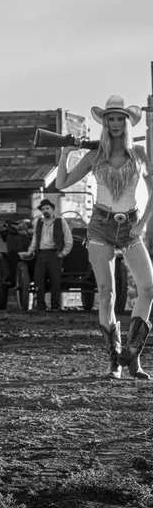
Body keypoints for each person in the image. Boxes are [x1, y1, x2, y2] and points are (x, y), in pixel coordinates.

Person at [57, 95, 153, 379]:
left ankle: (132, 356)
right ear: (104, 122)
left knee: (148, 288)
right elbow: (62, 183)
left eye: (119, 118)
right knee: (106, 295)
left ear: (127, 122)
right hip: (100, 225)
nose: (114, 123)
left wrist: (142, 225)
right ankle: (115, 361)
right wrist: (65, 154)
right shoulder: (94, 155)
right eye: (110, 118)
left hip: (132, 226)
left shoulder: (140, 154)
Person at [20, 198, 73, 313]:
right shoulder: (38, 223)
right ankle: (40, 306)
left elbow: (68, 239)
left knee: (55, 281)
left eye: (47, 208)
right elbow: (35, 240)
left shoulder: (61, 222)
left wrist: (63, 253)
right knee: (38, 280)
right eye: (43, 209)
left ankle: (55, 306)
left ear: (53, 209)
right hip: (41, 254)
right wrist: (30, 252)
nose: (45, 211)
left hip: (55, 254)